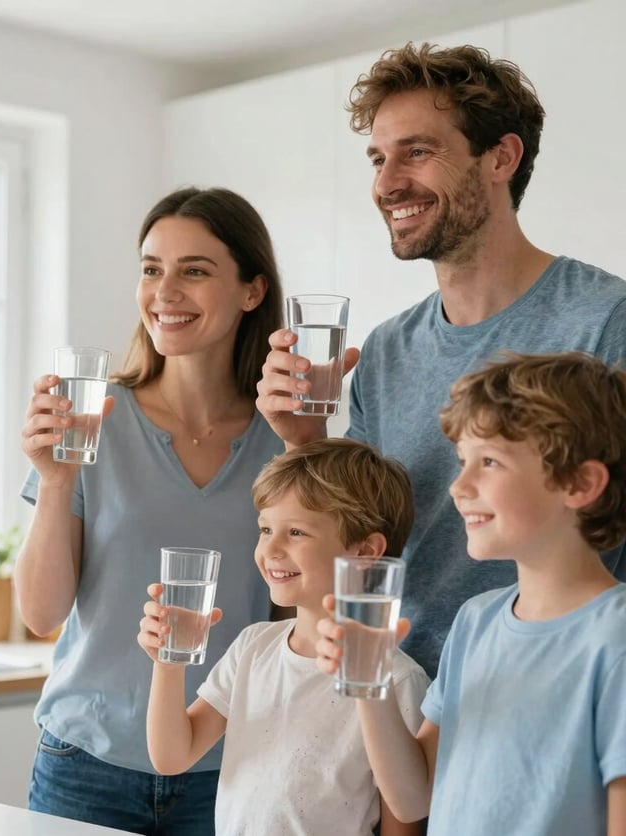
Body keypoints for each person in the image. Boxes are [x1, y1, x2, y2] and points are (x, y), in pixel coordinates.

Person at [255, 41, 626, 679]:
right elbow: (361, 542)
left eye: (418, 152)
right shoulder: (385, 351)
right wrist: (304, 440)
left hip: (557, 698)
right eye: (378, 158)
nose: (386, 182)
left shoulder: (604, 321)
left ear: (500, 157)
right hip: (399, 697)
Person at [15, 186, 287, 835]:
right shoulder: (90, 423)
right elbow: (40, 614)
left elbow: (289, 621)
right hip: (84, 765)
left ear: (252, 290)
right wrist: (54, 483)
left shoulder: (284, 441)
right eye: (151, 269)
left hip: (230, 767)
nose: (165, 291)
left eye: (194, 270)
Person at [316, 352, 626, 835]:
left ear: (580, 483)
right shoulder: (476, 621)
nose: (459, 486)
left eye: (489, 462)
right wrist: (368, 679)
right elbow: (413, 796)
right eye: (463, 462)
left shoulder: (615, 639)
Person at [138, 438, 430, 836]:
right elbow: (172, 756)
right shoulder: (253, 647)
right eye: (264, 529)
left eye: (295, 532)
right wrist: (167, 663)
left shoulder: (396, 680)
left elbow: (405, 823)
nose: (270, 549)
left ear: (366, 552)